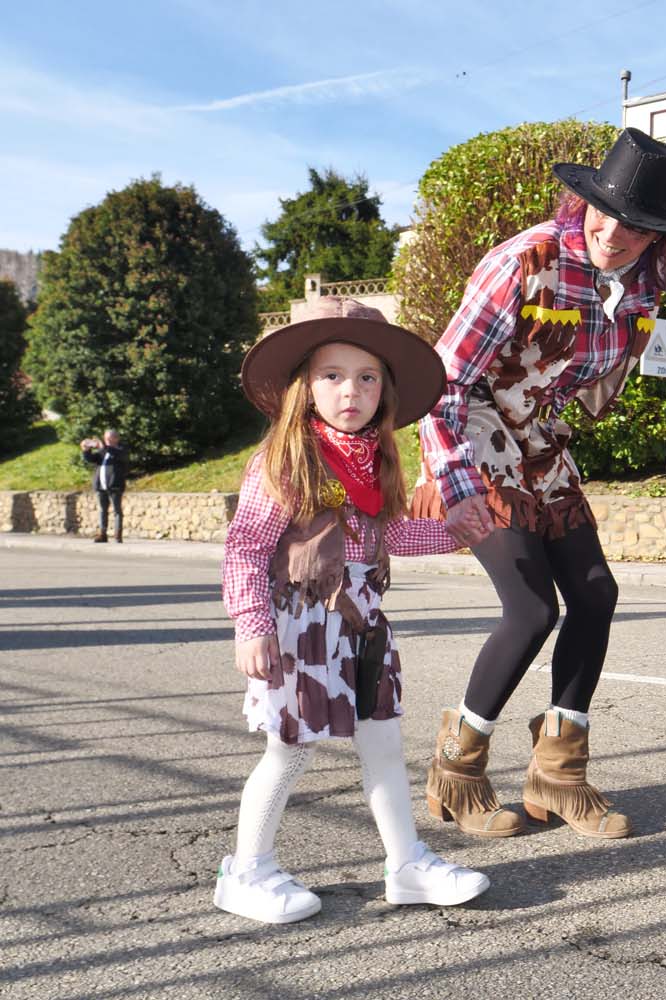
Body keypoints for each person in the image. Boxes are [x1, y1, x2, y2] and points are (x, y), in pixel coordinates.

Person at [418, 128, 666, 840]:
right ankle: (456, 771)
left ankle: (558, 775)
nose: (615, 233)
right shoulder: (524, 261)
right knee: (529, 609)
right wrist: (456, 484)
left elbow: (591, 384)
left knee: (597, 593)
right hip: (477, 434)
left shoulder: (645, 284)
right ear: (582, 202)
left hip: (541, 442)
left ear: (656, 235)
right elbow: (443, 380)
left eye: (637, 226)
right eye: (605, 213)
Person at [217, 296, 489, 925]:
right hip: (299, 628)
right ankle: (247, 871)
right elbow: (246, 548)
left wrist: (452, 530)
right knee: (289, 752)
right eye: (333, 376)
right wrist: (251, 624)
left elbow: (386, 537)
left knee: (385, 746)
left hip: (362, 629)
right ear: (304, 387)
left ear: (384, 391)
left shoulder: (375, 461)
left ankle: (407, 864)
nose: (351, 391)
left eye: (367, 377)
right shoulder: (284, 460)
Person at [80, 429, 128, 543]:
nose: (106, 441)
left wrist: (102, 446)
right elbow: (90, 459)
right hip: (101, 485)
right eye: (105, 438)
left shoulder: (121, 450)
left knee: (117, 510)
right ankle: (103, 534)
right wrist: (86, 450)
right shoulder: (103, 452)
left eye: (109, 438)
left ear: (116, 439)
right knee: (102, 510)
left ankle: (118, 535)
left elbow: (116, 454)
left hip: (114, 485)